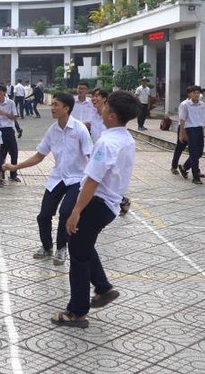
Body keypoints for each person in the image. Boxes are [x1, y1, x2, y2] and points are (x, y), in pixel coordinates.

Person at [52, 91, 140, 328]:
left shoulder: (106, 142)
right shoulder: (126, 139)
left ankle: (77, 312)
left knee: (79, 257)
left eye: (104, 106)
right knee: (83, 245)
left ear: (111, 115)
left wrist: (76, 210)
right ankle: (102, 287)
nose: (99, 108)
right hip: (109, 204)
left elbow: (92, 180)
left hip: (96, 204)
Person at [4, 92, 93, 267]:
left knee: (65, 213)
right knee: (43, 215)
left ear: (66, 108)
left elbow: (90, 156)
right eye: (52, 104)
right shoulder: (52, 131)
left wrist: (93, 182)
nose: (52, 108)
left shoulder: (80, 129)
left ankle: (61, 248)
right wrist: (16, 167)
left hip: (77, 179)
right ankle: (47, 247)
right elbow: (39, 156)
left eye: (56, 105)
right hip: (58, 177)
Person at [178, 85, 205, 185]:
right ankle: (195, 177)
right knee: (193, 153)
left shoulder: (202, 105)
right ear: (190, 94)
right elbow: (182, 120)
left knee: (199, 153)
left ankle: (184, 167)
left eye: (198, 93)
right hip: (190, 129)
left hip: (199, 129)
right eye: (194, 93)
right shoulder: (185, 105)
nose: (197, 95)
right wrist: (182, 134)